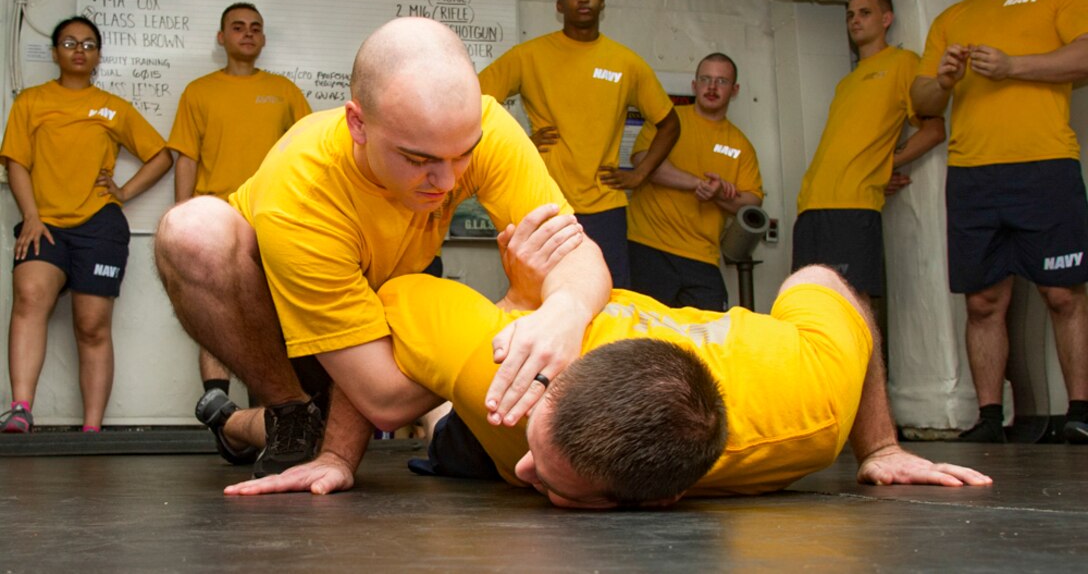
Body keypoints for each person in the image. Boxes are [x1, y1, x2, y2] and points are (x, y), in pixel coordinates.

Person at [154, 17, 610, 477]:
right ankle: (287, 410)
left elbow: (573, 251)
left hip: (383, 300)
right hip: (281, 314)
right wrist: (515, 305)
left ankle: (234, 422)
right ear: (358, 124)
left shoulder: (486, 128)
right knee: (192, 230)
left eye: (463, 154)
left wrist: (565, 312)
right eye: (418, 159)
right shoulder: (303, 187)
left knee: (443, 423)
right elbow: (385, 401)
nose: (448, 181)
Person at [225, 261, 992, 506]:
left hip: (484, 427)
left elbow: (833, 283)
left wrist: (876, 442)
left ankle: (227, 418)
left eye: (556, 488)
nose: (527, 472)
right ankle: (238, 422)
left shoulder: (816, 412)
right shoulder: (506, 381)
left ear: (659, 503)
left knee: (437, 435)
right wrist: (336, 458)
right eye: (539, 455)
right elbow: (384, 305)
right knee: (401, 403)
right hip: (487, 402)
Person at [910, 0, 1088, 444]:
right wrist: (942, 80)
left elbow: (1084, 56)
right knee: (983, 301)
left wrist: (1014, 67)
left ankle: (1080, 412)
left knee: (1063, 293)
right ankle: (989, 419)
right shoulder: (951, 18)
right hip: (973, 174)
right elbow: (921, 100)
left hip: (1045, 164)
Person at [0, 16, 172, 433]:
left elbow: (162, 155)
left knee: (91, 324)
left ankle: (92, 428)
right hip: (43, 225)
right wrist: (32, 218)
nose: (79, 50)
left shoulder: (113, 106)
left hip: (99, 226)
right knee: (29, 296)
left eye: (89, 44)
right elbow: (16, 162)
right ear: (56, 51)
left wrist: (124, 192)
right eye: (70, 42)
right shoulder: (31, 102)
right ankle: (21, 408)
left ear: (97, 55)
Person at [167, 2, 311, 460]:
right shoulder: (198, 91)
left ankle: (272, 418)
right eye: (237, 27)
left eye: (255, 28)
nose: (247, 34)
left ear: (263, 39)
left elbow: (306, 149)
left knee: (268, 318)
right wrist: (182, 215)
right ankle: (219, 406)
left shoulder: (284, 91)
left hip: (272, 216)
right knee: (217, 310)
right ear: (221, 37)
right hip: (215, 215)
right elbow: (185, 157)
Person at [479, 0, 680, 288]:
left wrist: (639, 176)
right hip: (546, 203)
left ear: (602, 2)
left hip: (606, 206)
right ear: (560, 5)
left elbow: (670, 124)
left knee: (611, 300)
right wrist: (522, 143)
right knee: (544, 295)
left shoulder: (626, 63)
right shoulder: (528, 55)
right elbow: (474, 102)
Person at [793, 0, 945, 312]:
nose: (855, 21)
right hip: (811, 207)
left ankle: (870, 367)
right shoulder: (846, 82)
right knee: (812, 309)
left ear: (886, 19)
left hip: (854, 206)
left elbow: (934, 130)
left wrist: (882, 166)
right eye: (850, 15)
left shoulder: (904, 63)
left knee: (855, 307)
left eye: (864, 13)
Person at [626, 52, 762, 310]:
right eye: (706, 79)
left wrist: (719, 193)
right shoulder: (668, 122)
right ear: (694, 85)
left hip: (702, 257)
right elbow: (646, 165)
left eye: (721, 81)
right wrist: (698, 184)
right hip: (648, 249)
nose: (712, 87)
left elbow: (751, 202)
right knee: (643, 339)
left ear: (734, 90)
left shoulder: (741, 145)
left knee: (707, 340)